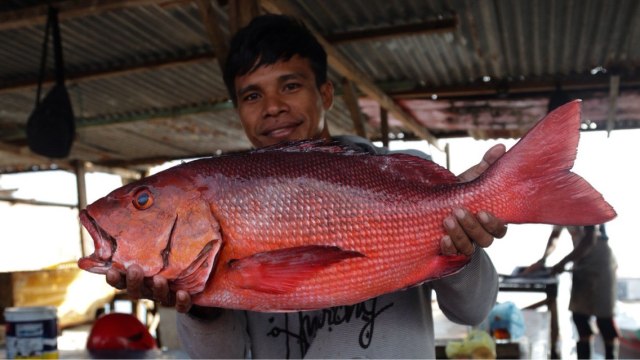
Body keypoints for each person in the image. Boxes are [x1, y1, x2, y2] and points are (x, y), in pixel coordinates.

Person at [105, 14, 508, 358]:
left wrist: (463, 248)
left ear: (326, 93)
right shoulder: (219, 207)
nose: (273, 106)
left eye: (291, 86)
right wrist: (198, 307)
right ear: (239, 111)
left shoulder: (404, 174)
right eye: (251, 95)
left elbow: (473, 310)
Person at [526, 224, 619, 359]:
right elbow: (555, 237)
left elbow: (589, 239)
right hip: (581, 263)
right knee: (580, 318)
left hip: (601, 264)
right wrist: (542, 260)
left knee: (605, 321)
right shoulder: (561, 209)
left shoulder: (587, 204)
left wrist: (562, 263)